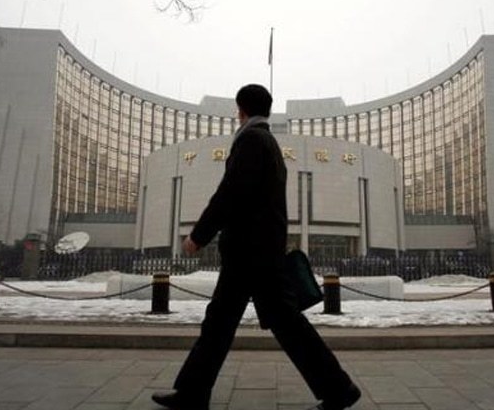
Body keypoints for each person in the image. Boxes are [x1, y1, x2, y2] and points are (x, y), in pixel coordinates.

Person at [152, 84, 361, 410]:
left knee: (232, 323)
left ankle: (339, 389)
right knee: (244, 323)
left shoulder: (251, 141)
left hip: (248, 254)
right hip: (261, 253)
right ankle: (338, 389)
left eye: (238, 111)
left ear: (242, 110)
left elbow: (230, 194)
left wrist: (199, 236)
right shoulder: (269, 143)